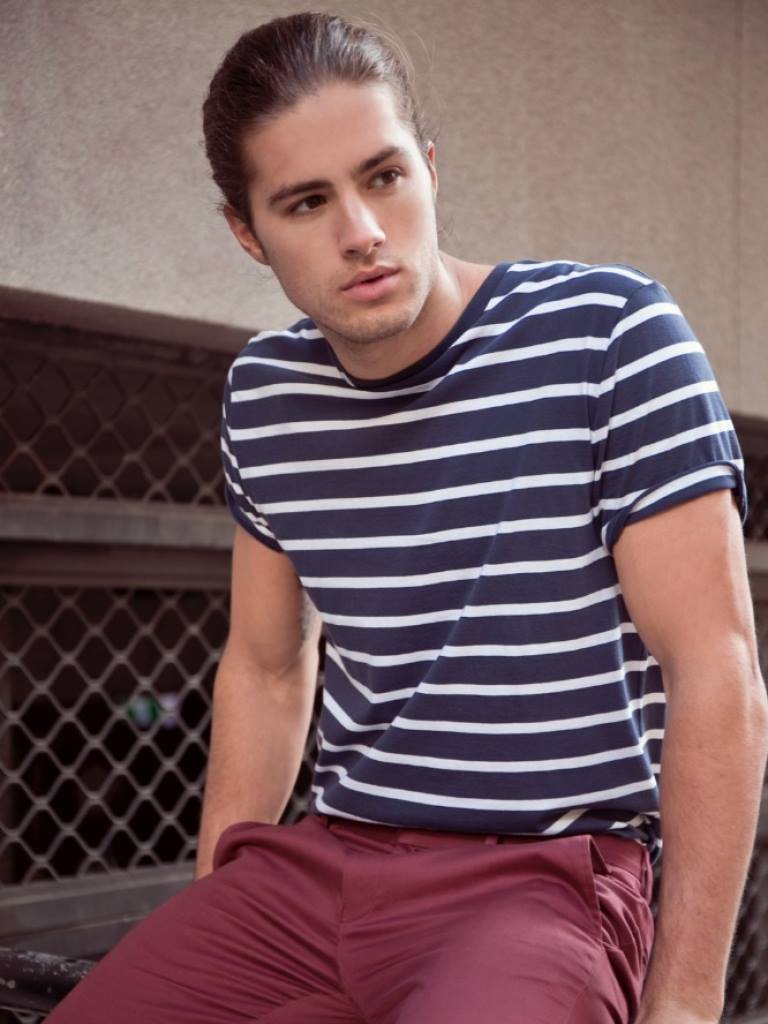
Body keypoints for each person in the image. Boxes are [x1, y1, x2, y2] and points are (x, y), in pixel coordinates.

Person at [49, 11, 768, 1024]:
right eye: (307, 202)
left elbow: (716, 668)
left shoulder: (611, 335)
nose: (362, 232)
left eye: (383, 176)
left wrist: (685, 1003)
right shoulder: (266, 395)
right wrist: (221, 900)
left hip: (540, 877)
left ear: (428, 169)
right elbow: (267, 666)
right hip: (323, 867)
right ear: (247, 233)